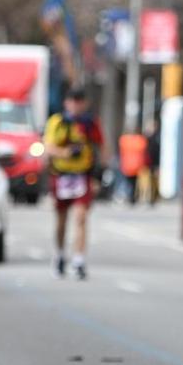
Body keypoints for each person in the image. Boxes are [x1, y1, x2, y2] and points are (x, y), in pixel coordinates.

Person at [43, 87, 103, 279]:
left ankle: (79, 260)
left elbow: (101, 147)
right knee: (61, 219)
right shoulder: (57, 122)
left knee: (81, 217)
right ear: (66, 103)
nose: (76, 106)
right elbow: (48, 147)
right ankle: (60, 254)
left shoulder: (90, 123)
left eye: (80, 101)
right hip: (61, 175)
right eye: (73, 101)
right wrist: (66, 152)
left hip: (82, 176)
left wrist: (98, 176)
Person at [117, 126, 147, 205]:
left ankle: (129, 196)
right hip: (136, 164)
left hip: (127, 164)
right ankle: (132, 197)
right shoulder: (140, 140)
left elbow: (121, 152)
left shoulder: (124, 140)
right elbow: (143, 151)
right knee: (134, 182)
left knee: (127, 181)